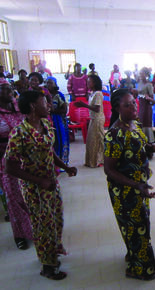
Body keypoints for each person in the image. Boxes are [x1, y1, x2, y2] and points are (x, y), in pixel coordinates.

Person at [5, 90, 77, 280]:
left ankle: (51, 254)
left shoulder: (45, 124)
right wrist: (40, 181)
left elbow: (49, 151)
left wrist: (65, 167)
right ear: (32, 107)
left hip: (51, 185)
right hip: (35, 189)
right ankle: (48, 267)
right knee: (43, 226)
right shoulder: (19, 133)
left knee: (56, 221)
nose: (49, 105)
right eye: (45, 103)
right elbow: (9, 167)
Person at [104, 88, 155, 280]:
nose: (134, 107)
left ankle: (134, 254)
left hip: (140, 186)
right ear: (117, 108)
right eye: (128, 105)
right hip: (125, 189)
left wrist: (151, 148)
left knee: (140, 224)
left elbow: (140, 147)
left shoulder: (135, 124)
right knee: (135, 225)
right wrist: (136, 186)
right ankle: (143, 270)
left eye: (134, 102)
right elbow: (109, 170)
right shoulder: (114, 134)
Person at [0, 80, 33, 250]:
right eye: (2, 89)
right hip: (6, 161)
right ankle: (19, 235)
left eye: (9, 89)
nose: (7, 91)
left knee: (29, 195)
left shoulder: (19, 109)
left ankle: (34, 228)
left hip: (27, 158)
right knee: (13, 198)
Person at [74, 75, 105, 168]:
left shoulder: (98, 94)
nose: (87, 84)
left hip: (98, 119)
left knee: (97, 140)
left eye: (89, 82)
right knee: (90, 141)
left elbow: (97, 108)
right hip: (93, 119)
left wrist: (84, 105)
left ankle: (99, 160)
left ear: (94, 83)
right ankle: (91, 160)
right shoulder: (92, 93)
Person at [46, 77, 69, 165]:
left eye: (51, 83)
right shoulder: (43, 95)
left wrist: (52, 111)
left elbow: (64, 110)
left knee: (61, 141)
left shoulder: (59, 95)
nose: (49, 85)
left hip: (58, 122)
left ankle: (62, 162)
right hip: (47, 122)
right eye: (47, 83)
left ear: (55, 84)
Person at [137, 67, 155, 143]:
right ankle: (142, 139)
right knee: (140, 120)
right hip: (140, 104)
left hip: (146, 105)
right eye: (140, 73)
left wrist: (148, 98)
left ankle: (149, 140)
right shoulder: (140, 83)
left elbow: (152, 99)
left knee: (146, 121)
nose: (140, 75)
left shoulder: (149, 85)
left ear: (146, 74)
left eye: (142, 73)